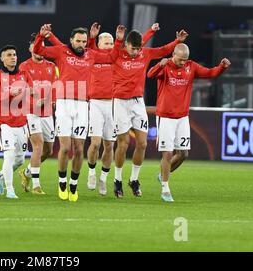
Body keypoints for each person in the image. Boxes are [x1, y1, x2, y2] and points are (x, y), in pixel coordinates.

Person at [91, 25, 188, 198]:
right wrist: (116, 39)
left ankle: (134, 180)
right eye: (132, 48)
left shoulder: (145, 53)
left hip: (137, 102)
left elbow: (163, 50)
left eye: (138, 48)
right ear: (126, 45)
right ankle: (118, 180)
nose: (135, 52)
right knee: (123, 143)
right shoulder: (117, 54)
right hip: (119, 102)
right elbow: (95, 54)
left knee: (142, 143)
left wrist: (177, 42)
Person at [33, 24, 119, 202]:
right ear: (71, 40)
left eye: (84, 41)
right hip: (64, 105)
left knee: (79, 149)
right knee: (65, 148)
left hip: (82, 106)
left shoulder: (91, 54)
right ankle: (62, 182)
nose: (80, 44)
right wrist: (41, 36)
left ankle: (73, 184)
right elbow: (38, 49)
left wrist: (118, 40)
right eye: (78, 40)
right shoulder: (61, 52)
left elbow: (112, 56)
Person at [147, 44, 231, 202]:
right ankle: (165, 188)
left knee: (183, 154)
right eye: (180, 60)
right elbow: (150, 75)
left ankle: (162, 175)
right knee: (167, 153)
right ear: (173, 55)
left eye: (185, 60)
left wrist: (221, 67)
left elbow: (209, 73)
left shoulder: (191, 66)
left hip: (182, 117)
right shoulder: (165, 66)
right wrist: (160, 64)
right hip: (165, 117)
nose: (183, 63)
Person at [86, 23, 159, 195]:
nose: (110, 47)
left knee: (110, 145)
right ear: (98, 44)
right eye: (106, 44)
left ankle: (105, 178)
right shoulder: (94, 56)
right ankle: (91, 172)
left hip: (113, 103)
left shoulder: (117, 56)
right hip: (97, 103)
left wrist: (150, 31)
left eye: (112, 44)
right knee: (96, 144)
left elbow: (136, 45)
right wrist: (91, 38)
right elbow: (87, 50)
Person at [18, 33, 59, 195]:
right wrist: (33, 100)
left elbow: (55, 85)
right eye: (34, 47)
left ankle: (27, 172)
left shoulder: (51, 66)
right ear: (30, 48)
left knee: (48, 151)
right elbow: (20, 88)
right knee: (38, 145)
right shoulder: (23, 67)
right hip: (30, 112)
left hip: (47, 113)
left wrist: (54, 100)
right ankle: (36, 185)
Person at [0, 45, 34, 199]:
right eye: (8, 55)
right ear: (2, 58)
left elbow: (31, 91)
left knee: (20, 159)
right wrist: (9, 93)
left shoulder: (24, 74)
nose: (13, 57)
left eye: (14, 54)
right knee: (8, 156)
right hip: (5, 122)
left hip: (22, 122)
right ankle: (10, 189)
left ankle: (0, 176)